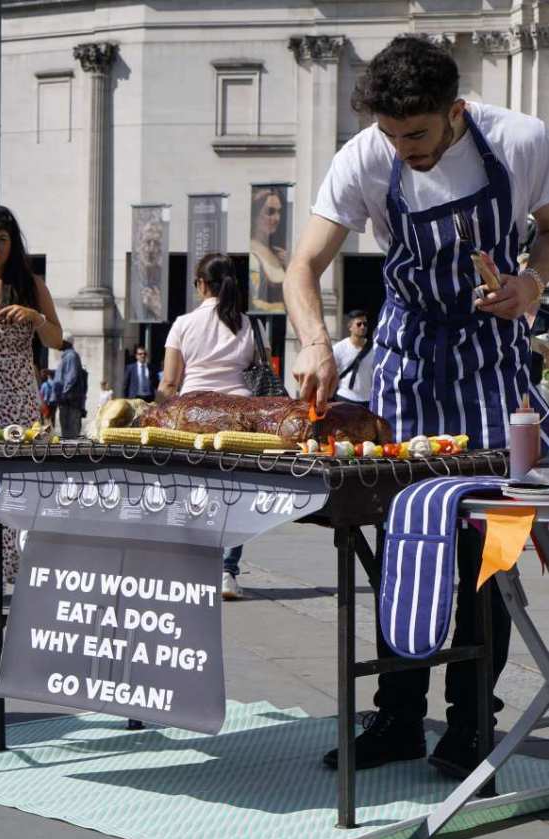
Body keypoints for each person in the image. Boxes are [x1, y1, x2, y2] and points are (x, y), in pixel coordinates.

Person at [283, 36, 549, 779]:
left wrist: (531, 283)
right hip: (407, 363)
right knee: (407, 544)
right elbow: (303, 265)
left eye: (419, 134)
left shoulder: (521, 140)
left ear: (455, 111)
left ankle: (470, 722)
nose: (405, 149)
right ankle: (398, 716)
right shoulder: (365, 158)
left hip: (491, 361)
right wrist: (314, 344)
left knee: (487, 552)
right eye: (393, 134)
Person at [159, 252, 270, 600]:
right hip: (239, 417)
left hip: (193, 415)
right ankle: (227, 572)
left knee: (193, 492)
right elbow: (262, 372)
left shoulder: (183, 324)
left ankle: (192, 569)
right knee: (234, 496)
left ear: (201, 284)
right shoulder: (250, 325)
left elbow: (169, 383)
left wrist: (159, 408)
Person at [0, 205, 62, 594]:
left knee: (13, 484)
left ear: (12, 242)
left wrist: (36, 317)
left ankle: (7, 571)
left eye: (1, 239)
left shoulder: (31, 285)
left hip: (15, 399)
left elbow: (56, 339)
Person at [249, 187, 287, 312]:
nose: (277, 218)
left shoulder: (280, 253)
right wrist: (284, 308)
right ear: (255, 215)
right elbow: (252, 303)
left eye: (279, 212)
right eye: (270, 212)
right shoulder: (251, 255)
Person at [332, 309, 373, 405]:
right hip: (344, 397)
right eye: (359, 324)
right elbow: (329, 372)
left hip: (367, 400)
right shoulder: (339, 348)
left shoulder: (374, 348)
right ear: (350, 327)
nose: (363, 327)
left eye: (365, 324)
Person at [53, 331, 86, 439]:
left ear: (66, 342)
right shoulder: (67, 356)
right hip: (66, 402)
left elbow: (71, 378)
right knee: (66, 432)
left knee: (70, 434)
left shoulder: (71, 356)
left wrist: (63, 394)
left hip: (70, 402)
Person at [131, 218, 163, 321]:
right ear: (138, 245)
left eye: (156, 243)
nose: (151, 249)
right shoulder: (132, 276)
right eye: (148, 242)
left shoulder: (163, 276)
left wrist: (157, 308)